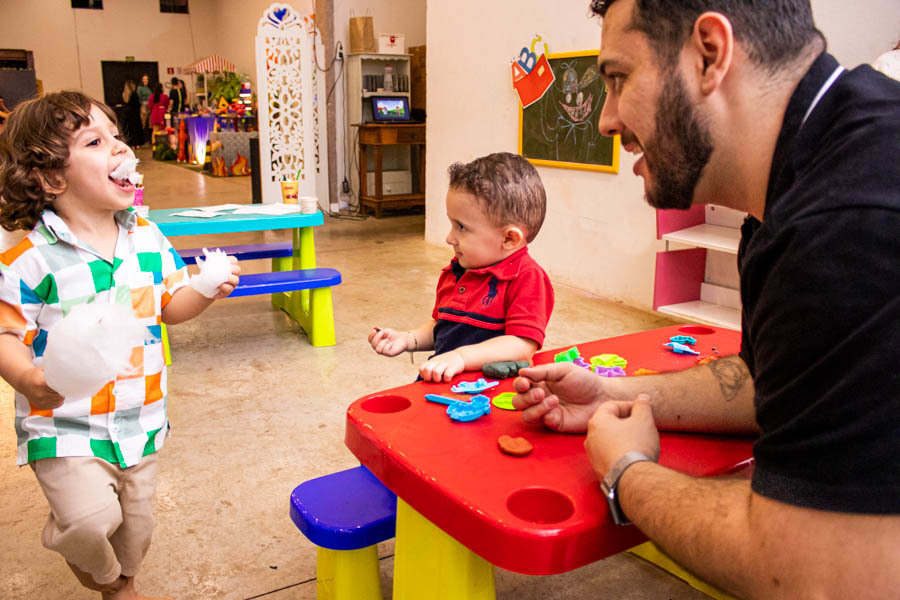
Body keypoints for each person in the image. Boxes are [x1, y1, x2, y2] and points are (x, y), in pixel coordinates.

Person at [513, 1, 900, 598]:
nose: (606, 121)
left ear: (709, 54)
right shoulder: (811, 173)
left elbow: (812, 573)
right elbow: (775, 381)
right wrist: (614, 394)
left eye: (618, 79)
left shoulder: (843, 224)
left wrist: (627, 472)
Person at [0, 90, 240, 600]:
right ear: (51, 178)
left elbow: (170, 307)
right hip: (63, 426)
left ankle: (119, 583)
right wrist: (26, 378)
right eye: (95, 141)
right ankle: (95, 563)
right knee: (88, 522)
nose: (120, 148)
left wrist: (203, 289)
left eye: (117, 136)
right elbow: (5, 333)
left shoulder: (147, 237)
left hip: (140, 420)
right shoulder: (29, 259)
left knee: (136, 535)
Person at [369, 152, 554, 382]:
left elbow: (521, 345)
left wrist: (461, 357)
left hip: (485, 393)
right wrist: (409, 339)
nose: (449, 238)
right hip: (442, 382)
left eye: (461, 227)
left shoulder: (527, 277)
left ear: (509, 239)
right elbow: (444, 327)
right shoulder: (457, 271)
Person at [120, 80, 144, 149]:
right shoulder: (134, 94)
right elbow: (137, 104)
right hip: (135, 113)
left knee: (130, 130)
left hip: (127, 113)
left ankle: (131, 144)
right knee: (136, 129)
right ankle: (137, 144)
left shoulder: (124, 94)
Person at [137, 75, 153, 143]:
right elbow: (139, 98)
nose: (145, 80)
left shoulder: (150, 87)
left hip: (150, 105)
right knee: (143, 122)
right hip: (143, 105)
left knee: (150, 123)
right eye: (144, 79)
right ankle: (143, 139)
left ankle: (150, 139)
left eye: (147, 79)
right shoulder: (140, 88)